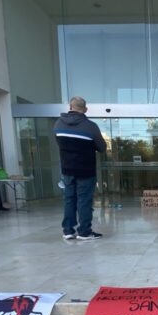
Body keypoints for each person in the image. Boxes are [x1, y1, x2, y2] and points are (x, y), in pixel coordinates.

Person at [54, 96, 107, 240]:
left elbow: (59, 144)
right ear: (85, 109)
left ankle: (68, 231)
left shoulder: (58, 124)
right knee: (84, 200)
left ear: (70, 106)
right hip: (86, 170)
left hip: (67, 170)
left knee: (69, 199)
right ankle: (84, 232)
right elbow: (102, 147)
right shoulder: (90, 126)